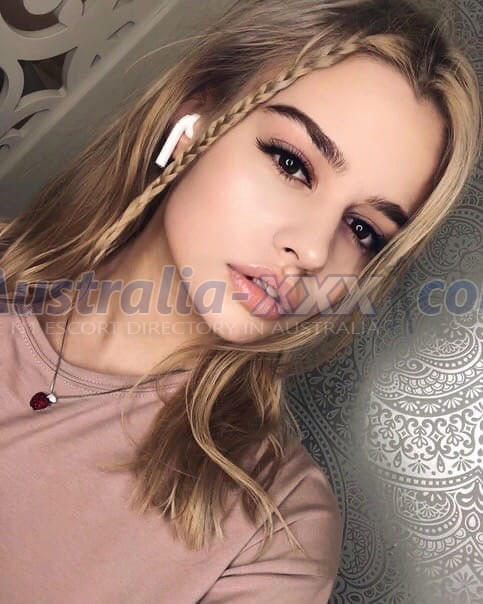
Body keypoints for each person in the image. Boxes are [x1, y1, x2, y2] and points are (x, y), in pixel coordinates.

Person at [0, 0, 480, 602]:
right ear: (195, 122)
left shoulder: (276, 533)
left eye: (363, 230)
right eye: (292, 164)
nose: (311, 250)